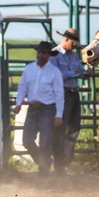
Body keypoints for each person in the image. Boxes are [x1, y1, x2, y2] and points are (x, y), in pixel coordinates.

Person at [13, 41, 64, 174]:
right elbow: (22, 87)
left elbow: (59, 94)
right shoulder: (29, 69)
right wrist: (18, 103)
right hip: (33, 108)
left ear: (49, 55)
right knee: (27, 140)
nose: (41, 55)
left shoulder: (54, 72)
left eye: (44, 53)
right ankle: (44, 161)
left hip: (47, 108)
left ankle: (44, 171)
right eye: (40, 52)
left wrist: (59, 114)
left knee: (45, 142)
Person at [50, 28, 92, 173]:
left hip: (73, 93)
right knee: (61, 129)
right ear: (66, 40)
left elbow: (79, 70)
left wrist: (85, 73)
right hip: (62, 94)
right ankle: (59, 163)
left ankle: (66, 161)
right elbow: (58, 76)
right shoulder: (54, 55)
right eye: (73, 43)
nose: (75, 46)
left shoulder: (74, 56)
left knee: (74, 127)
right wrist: (77, 73)